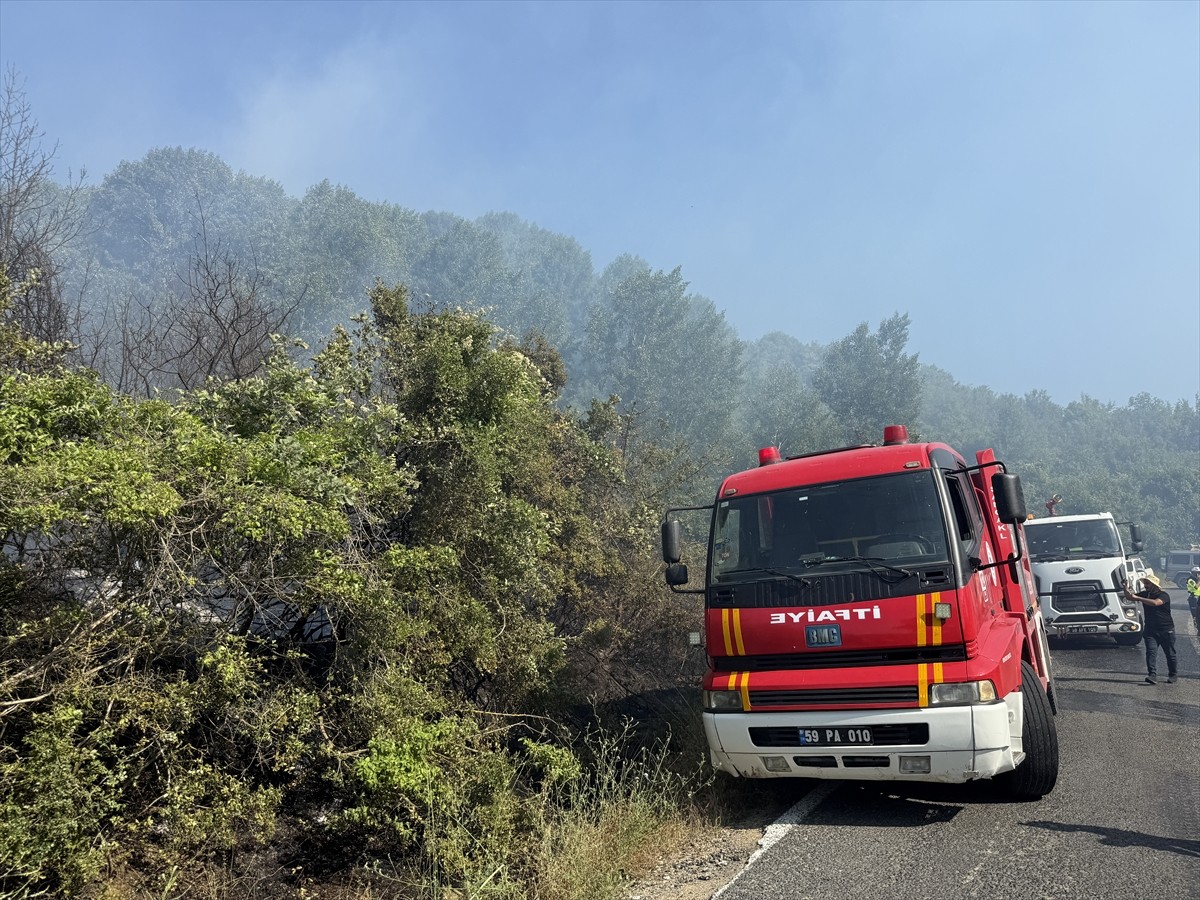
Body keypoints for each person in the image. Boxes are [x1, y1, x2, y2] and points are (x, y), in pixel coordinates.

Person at [1124, 573, 1177, 684]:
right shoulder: (1145, 594)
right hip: (1150, 630)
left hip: (1166, 629)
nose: (1145, 585)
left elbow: (1155, 603)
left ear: (1154, 585)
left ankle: (1173, 674)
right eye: (1145, 583)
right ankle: (1152, 675)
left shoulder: (1164, 595)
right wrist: (1125, 587)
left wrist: (1138, 598)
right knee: (1151, 652)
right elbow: (1129, 597)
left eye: (1147, 583)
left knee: (1170, 654)